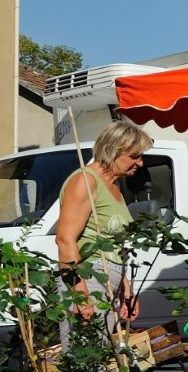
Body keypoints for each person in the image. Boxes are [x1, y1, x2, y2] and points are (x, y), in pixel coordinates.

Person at [56, 121, 152, 328]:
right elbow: (65, 239)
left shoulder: (114, 186)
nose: (141, 163)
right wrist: (80, 295)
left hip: (108, 283)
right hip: (88, 281)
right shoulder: (86, 181)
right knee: (87, 356)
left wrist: (125, 287)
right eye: (135, 156)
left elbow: (112, 243)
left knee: (106, 355)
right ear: (111, 150)